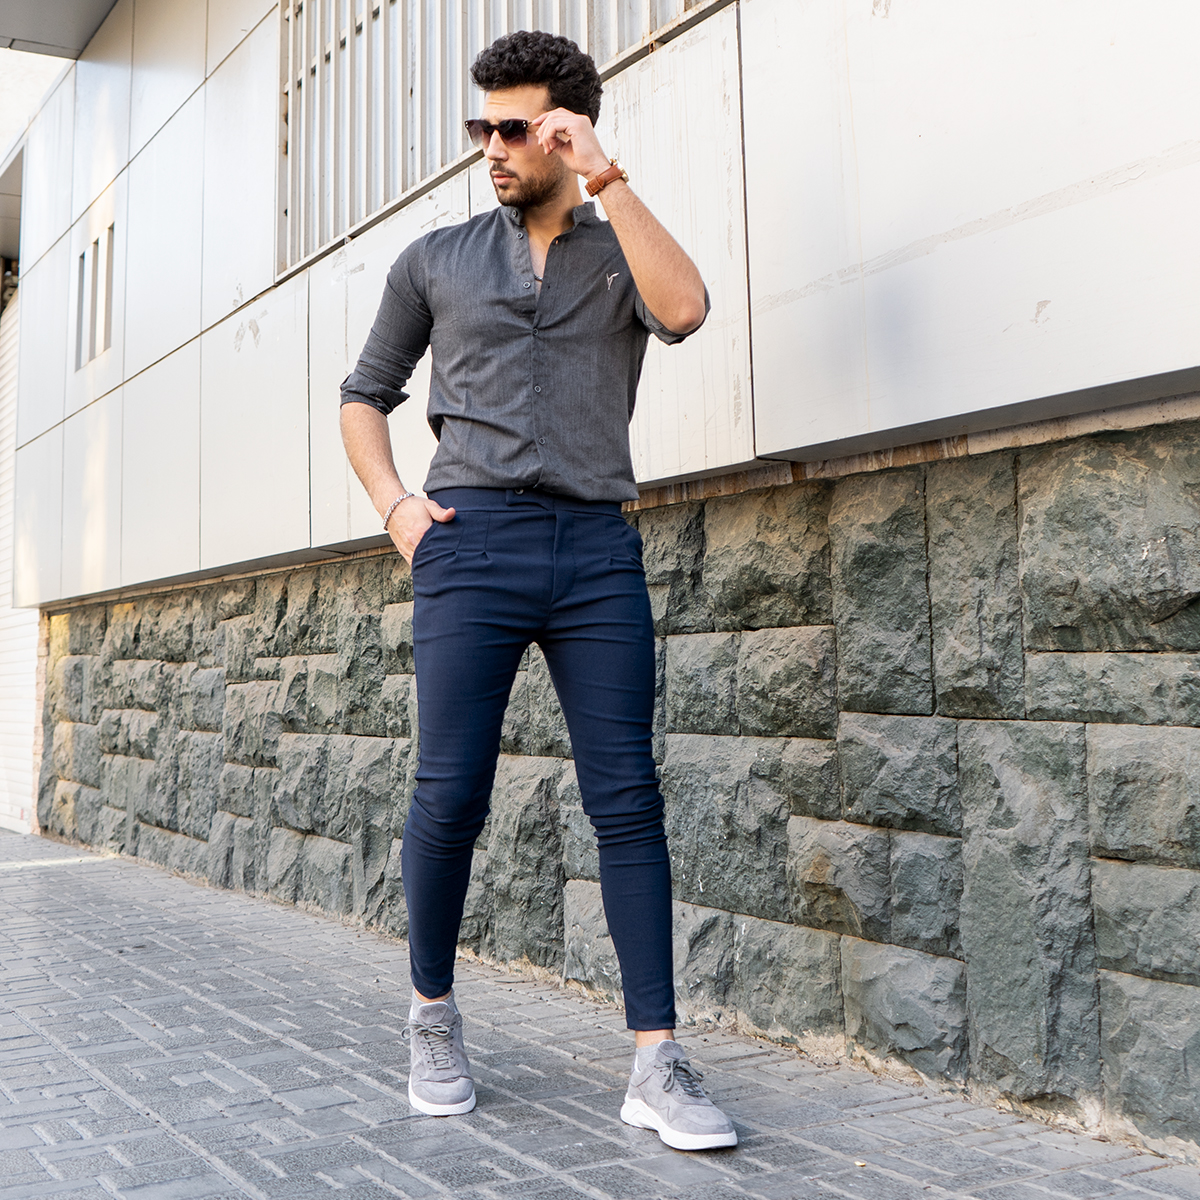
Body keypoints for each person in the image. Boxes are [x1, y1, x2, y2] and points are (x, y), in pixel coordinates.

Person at [339, 30, 736, 1152]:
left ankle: (656, 1063)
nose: (492, 148)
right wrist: (397, 508)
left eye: (514, 129)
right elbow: (365, 392)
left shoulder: (619, 249)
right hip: (469, 543)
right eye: (483, 127)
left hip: (595, 548)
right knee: (449, 792)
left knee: (628, 800)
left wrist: (609, 175)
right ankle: (431, 1017)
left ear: (564, 131)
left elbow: (686, 310)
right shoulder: (436, 259)